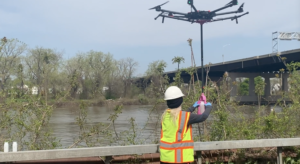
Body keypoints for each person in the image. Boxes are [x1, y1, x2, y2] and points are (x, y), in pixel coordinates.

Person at [160, 86, 213, 164]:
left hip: (165, 159)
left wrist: (192, 108)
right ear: (180, 100)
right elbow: (203, 117)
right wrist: (209, 107)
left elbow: (180, 118)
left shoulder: (164, 116)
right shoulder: (185, 117)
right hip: (179, 160)